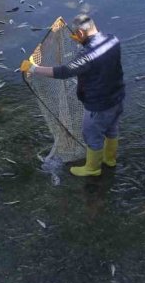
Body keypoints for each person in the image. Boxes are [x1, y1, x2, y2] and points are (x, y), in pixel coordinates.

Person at [21, 15, 125, 176]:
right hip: (117, 98)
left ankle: (93, 168)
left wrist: (33, 68)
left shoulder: (87, 55)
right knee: (111, 129)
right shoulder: (113, 40)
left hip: (99, 104)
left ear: (81, 33)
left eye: (76, 35)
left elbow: (64, 72)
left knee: (92, 134)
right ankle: (110, 159)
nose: (75, 38)